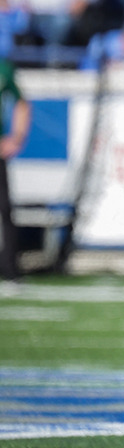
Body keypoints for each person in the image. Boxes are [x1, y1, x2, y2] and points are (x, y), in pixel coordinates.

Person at [0, 54, 31, 289]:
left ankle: (11, 271)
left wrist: (16, 136)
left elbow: (21, 101)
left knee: (5, 209)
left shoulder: (3, 67)